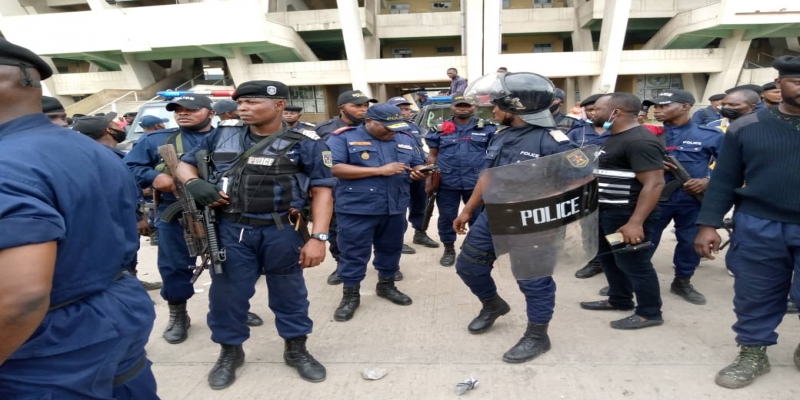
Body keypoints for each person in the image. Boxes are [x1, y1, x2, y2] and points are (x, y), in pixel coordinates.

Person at [0, 38, 158, 398]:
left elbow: (20, 297)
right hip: (112, 310)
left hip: (46, 343)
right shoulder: (86, 146)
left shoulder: (6, 163)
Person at [174, 80, 333, 389]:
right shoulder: (222, 136)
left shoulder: (307, 142)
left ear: (279, 105)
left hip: (282, 230)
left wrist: (319, 237)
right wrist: (194, 184)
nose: (243, 107)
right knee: (228, 297)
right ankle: (230, 353)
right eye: (240, 102)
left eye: (252, 102)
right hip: (232, 231)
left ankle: (296, 350)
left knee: (290, 295)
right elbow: (183, 166)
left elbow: (323, 190)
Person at [453, 72, 577, 364]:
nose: (493, 110)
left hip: (534, 224)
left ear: (516, 108)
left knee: (534, 282)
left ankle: (538, 335)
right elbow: (487, 176)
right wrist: (469, 209)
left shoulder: (555, 140)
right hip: (493, 216)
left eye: (498, 105)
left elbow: (580, 181)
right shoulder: (502, 134)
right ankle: (493, 305)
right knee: (468, 266)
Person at [694, 55, 800, 389]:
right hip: (760, 224)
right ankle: (753, 352)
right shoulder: (746, 126)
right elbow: (725, 178)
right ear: (778, 84)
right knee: (756, 292)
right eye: (797, 81)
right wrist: (708, 223)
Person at [125, 94, 263, 344]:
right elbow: (129, 167)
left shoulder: (231, 136)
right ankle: (179, 314)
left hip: (225, 211)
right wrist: (154, 177)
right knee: (175, 266)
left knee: (234, 265)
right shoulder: (157, 139)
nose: (182, 113)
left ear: (211, 113)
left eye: (191, 109)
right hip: (176, 211)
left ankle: (233, 308)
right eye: (177, 110)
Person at [326, 103, 433, 322]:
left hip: (394, 206)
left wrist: (420, 172)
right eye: (386, 126)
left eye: (395, 126)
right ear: (369, 121)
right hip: (357, 208)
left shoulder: (405, 137)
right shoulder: (341, 138)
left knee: (391, 249)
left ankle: (386, 285)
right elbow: (334, 168)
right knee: (354, 252)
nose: (391, 131)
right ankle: (350, 295)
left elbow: (416, 164)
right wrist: (379, 170)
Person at [579, 92, 666, 330]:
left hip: (625, 216)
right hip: (607, 213)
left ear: (615, 112)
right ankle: (619, 299)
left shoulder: (639, 141)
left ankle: (649, 312)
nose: (592, 112)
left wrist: (635, 223)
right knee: (610, 260)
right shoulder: (616, 137)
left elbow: (654, 183)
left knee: (634, 264)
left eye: (596, 108)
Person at [645, 89, 722, 305]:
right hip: (656, 198)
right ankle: (631, 279)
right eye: (656, 106)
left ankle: (682, 281)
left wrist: (708, 180)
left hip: (692, 200)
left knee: (689, 242)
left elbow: (730, 167)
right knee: (645, 241)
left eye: (663, 106)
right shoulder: (649, 134)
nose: (657, 110)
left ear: (685, 106)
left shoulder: (710, 134)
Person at [73, 113, 163, 291]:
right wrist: (138, 217)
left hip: (112, 216)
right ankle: (127, 289)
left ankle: (131, 282)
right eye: (114, 123)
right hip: (119, 216)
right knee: (122, 253)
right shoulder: (105, 156)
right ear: (108, 129)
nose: (119, 126)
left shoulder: (92, 154)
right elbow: (119, 193)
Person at [424, 93, 496, 267]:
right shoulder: (438, 130)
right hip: (447, 182)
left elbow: (494, 157)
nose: (463, 108)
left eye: (467, 105)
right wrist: (428, 180)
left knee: (477, 217)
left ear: (475, 107)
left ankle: (472, 247)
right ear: (452, 107)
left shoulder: (487, 128)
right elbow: (433, 156)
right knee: (447, 217)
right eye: (459, 105)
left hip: (476, 183)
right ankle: (449, 248)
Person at [315, 89, 378, 285]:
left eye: (366, 106)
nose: (363, 110)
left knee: (376, 228)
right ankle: (342, 264)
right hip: (334, 189)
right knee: (336, 231)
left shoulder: (373, 127)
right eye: (357, 106)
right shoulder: (323, 129)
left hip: (367, 189)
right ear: (342, 108)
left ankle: (385, 266)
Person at [387, 96, 440, 254]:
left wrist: (424, 167)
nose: (405, 112)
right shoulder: (386, 128)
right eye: (400, 109)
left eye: (407, 108)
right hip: (399, 173)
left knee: (420, 204)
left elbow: (417, 148)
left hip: (418, 171)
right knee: (399, 208)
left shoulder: (413, 126)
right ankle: (398, 239)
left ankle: (420, 233)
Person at [569, 93, 611, 279]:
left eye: (597, 109)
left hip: (614, 189)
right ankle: (595, 261)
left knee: (613, 227)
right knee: (589, 227)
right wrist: (586, 170)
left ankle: (614, 262)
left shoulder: (621, 130)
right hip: (586, 187)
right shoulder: (578, 132)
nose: (593, 113)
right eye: (589, 110)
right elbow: (568, 155)